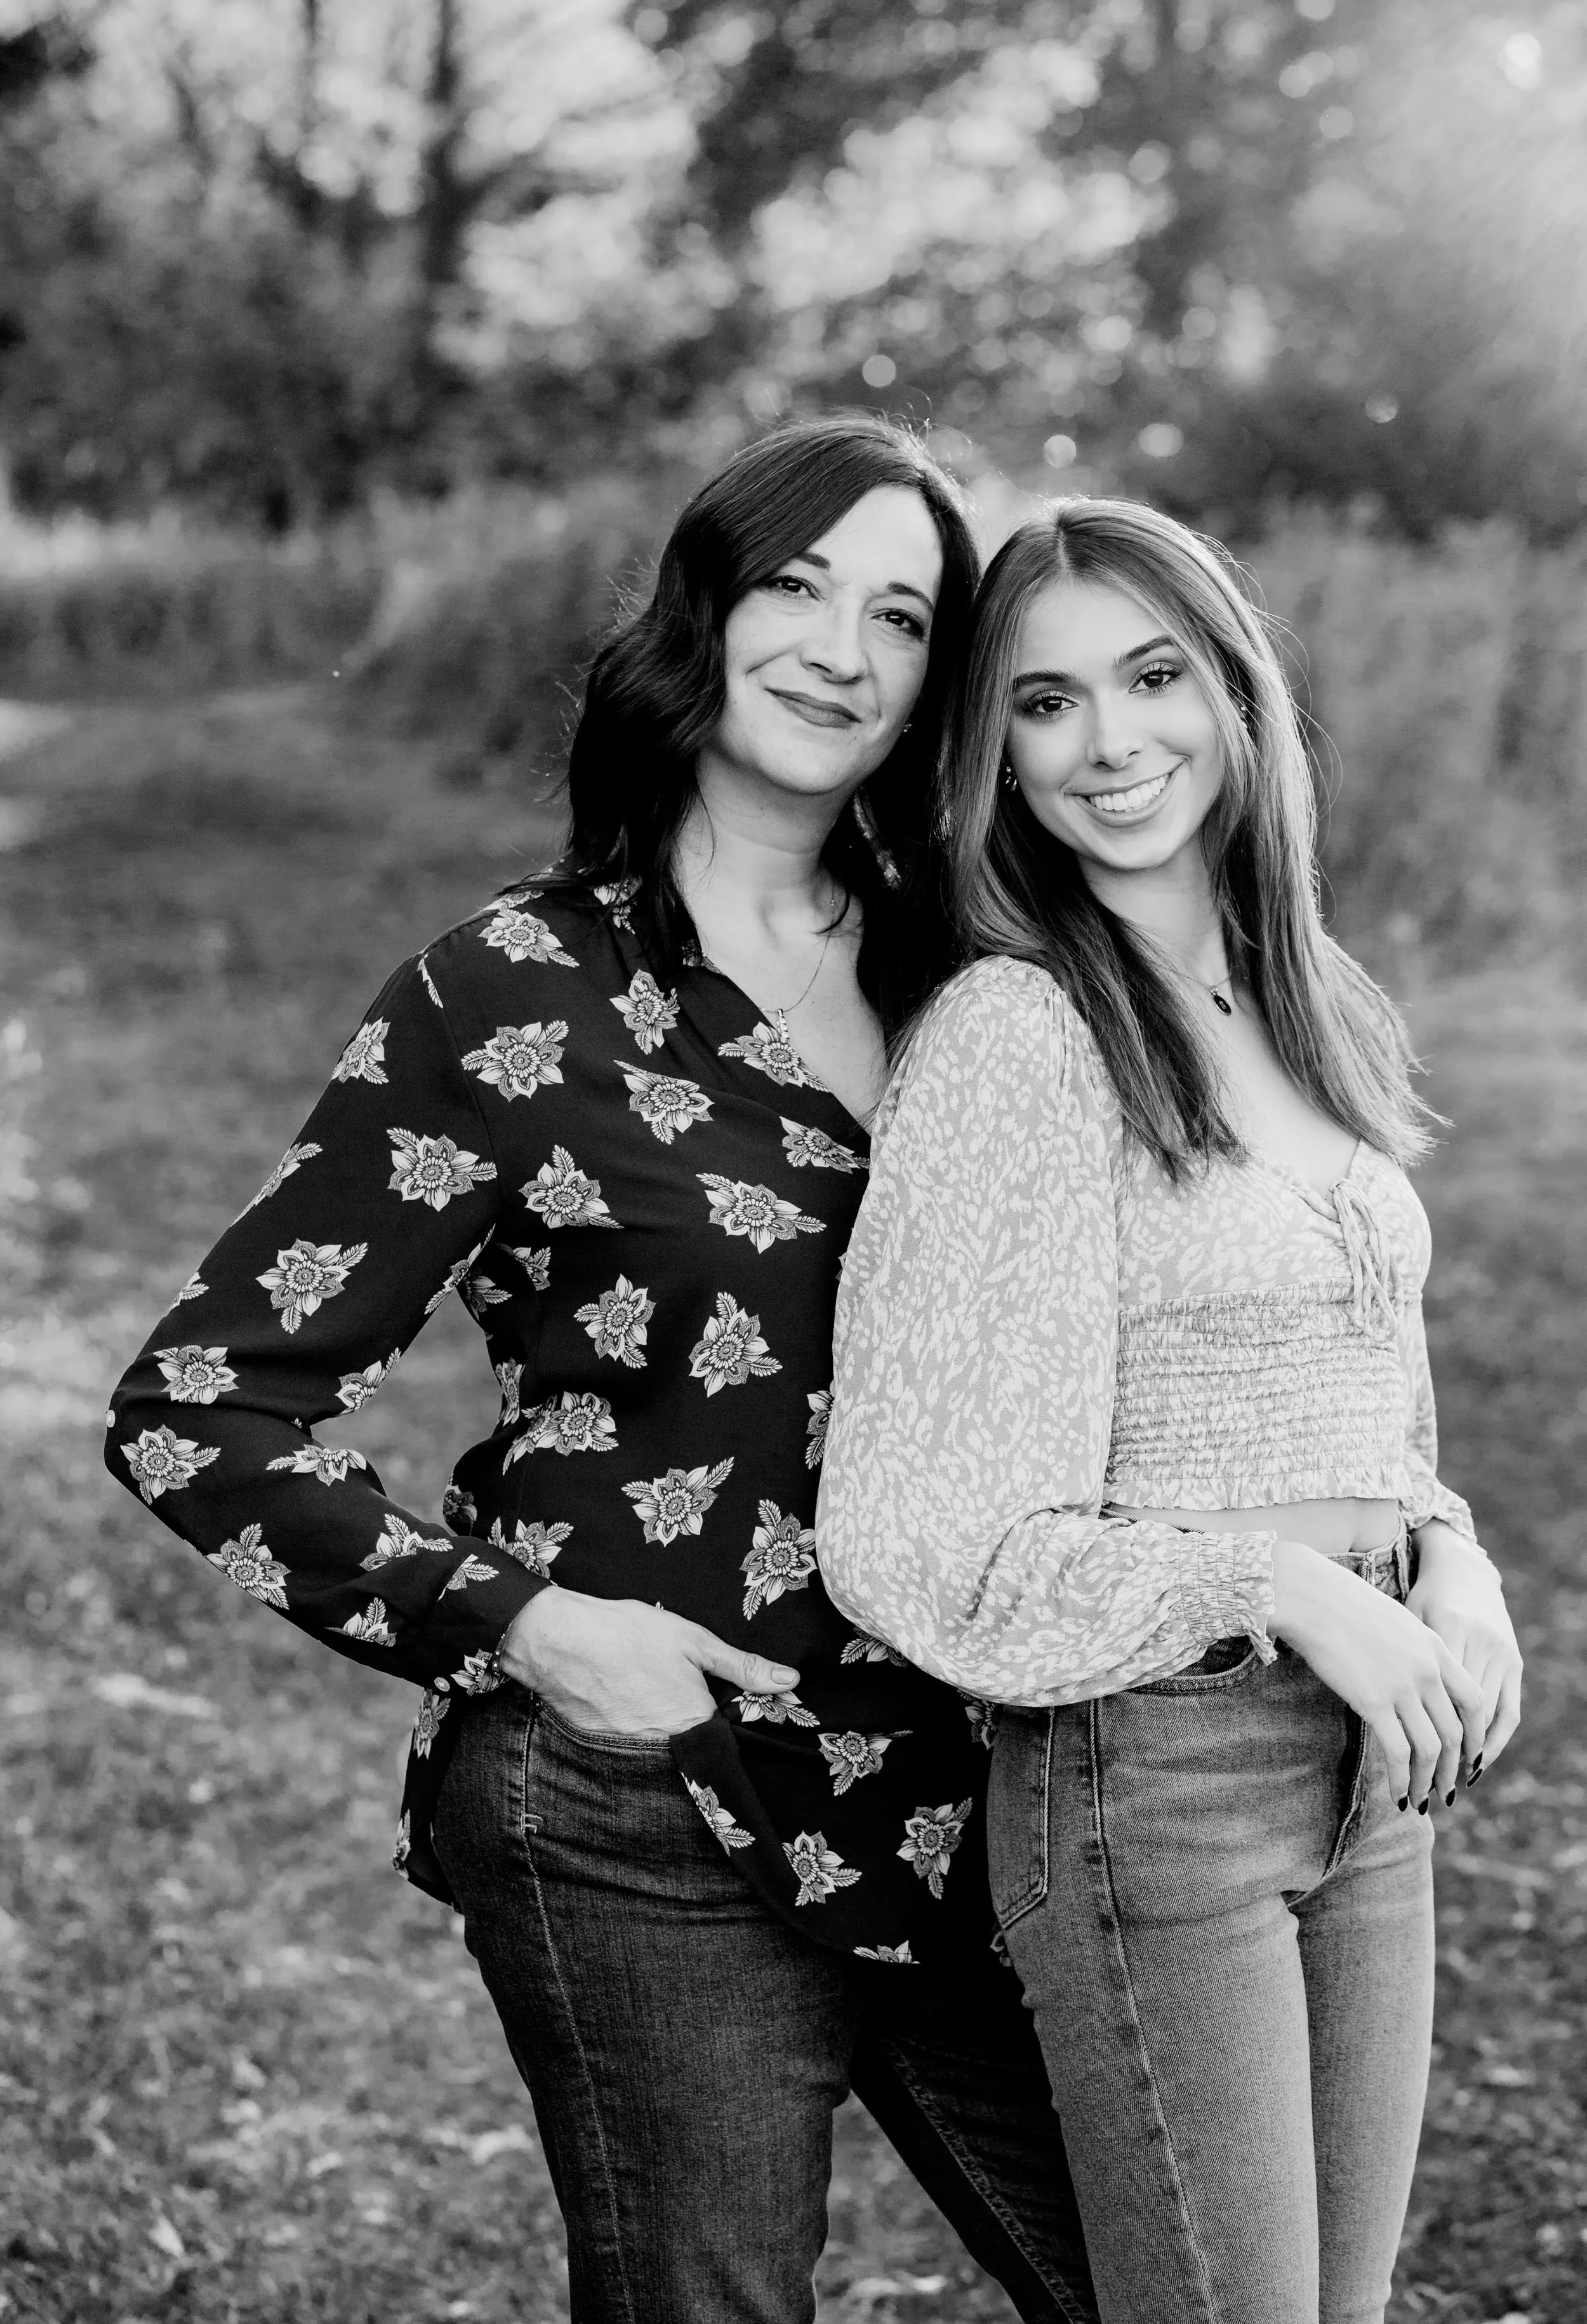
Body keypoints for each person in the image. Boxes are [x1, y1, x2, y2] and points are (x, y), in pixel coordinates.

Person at [104, 416, 1097, 2324]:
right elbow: (194, 1409)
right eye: (797, 585)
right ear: (703, 611)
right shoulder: (515, 990)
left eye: (901, 613)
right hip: (649, 1788)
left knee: (1191, 2279)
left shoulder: (980, 979)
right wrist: (533, 1628)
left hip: (968, 1775)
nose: (840, 645)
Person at [816, 496, 1524, 2324]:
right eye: (1043, 704)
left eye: (1150, 677)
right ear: (991, 751)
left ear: (1236, 692)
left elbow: (1362, 1396)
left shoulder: (1313, 1003)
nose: (1108, 743)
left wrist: (1447, 1558)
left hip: (1371, 1759)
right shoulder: (1015, 1038)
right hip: (1155, 1773)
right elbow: (917, 1537)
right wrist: (1284, 1590)